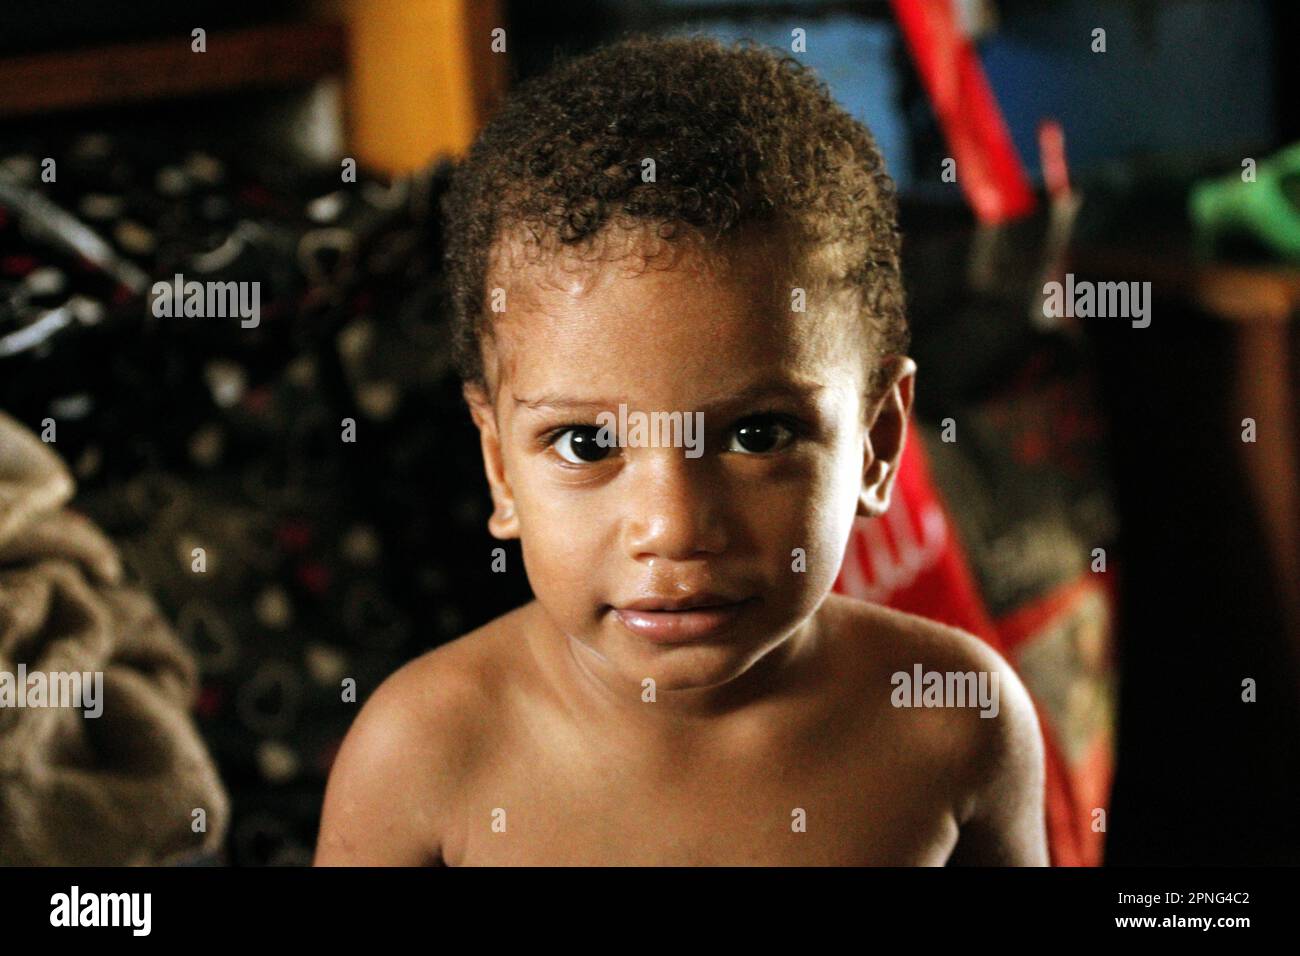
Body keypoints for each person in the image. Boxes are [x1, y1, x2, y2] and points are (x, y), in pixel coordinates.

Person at [314, 35, 1046, 866]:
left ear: (877, 442)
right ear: (499, 468)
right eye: (587, 443)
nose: (673, 528)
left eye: (757, 434)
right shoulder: (421, 754)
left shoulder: (955, 718)